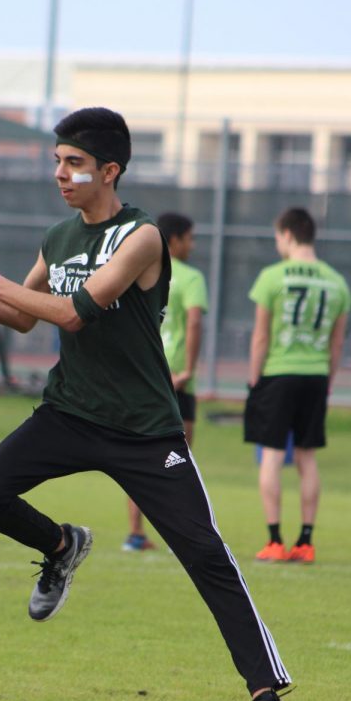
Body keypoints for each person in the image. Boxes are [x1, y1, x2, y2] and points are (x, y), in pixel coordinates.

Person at [0, 107, 315, 701]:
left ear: (110, 170)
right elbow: (24, 315)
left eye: (74, 164)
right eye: (57, 161)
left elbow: (74, 313)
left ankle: (267, 699)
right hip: (71, 412)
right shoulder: (57, 237)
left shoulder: (142, 237)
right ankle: (61, 547)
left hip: (144, 429)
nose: (61, 173)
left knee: (206, 556)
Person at [244, 207, 351, 564]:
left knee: (272, 456)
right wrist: (329, 379)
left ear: (288, 235)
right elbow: (337, 344)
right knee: (307, 458)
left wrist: (254, 377)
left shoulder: (273, 277)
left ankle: (274, 540)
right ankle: (305, 541)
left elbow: (261, 335)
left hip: (278, 372)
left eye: (278, 237)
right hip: (316, 375)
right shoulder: (336, 281)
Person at [122, 212, 208, 552]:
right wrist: (187, 370)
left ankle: (135, 534)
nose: (192, 245)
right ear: (175, 240)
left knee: (137, 459)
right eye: (191, 238)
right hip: (176, 379)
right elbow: (195, 324)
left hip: (144, 376)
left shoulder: (140, 269)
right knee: (178, 460)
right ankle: (183, 535)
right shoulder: (190, 278)